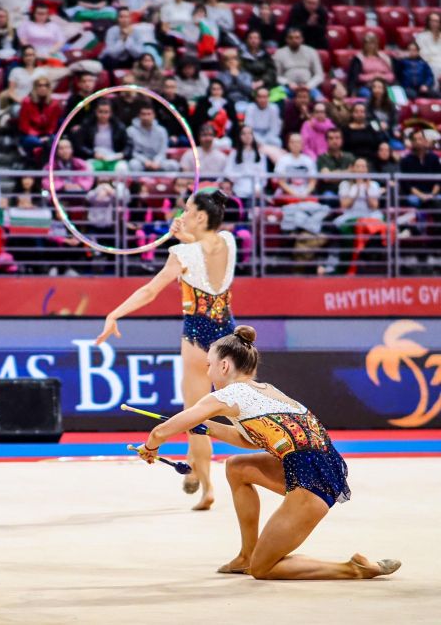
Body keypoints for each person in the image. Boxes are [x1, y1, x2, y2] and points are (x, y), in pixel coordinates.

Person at [132, 325, 401, 580]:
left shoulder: (227, 395)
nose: (208, 373)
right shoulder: (265, 391)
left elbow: (163, 430)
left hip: (311, 478)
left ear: (224, 365)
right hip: (319, 465)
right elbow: (251, 440)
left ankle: (353, 569)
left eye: (209, 366)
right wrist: (209, 428)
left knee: (263, 569)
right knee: (237, 467)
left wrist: (151, 446)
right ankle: (245, 555)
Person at [96, 189, 237, 510]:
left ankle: (208, 489)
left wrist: (114, 313)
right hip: (228, 336)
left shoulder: (181, 255)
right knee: (237, 410)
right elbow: (205, 251)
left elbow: (149, 291)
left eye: (187, 209)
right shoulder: (229, 241)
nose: (182, 213)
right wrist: (186, 236)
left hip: (197, 341)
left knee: (196, 420)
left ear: (201, 216)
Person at [72, 99, 127, 168]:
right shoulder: (87, 125)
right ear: (95, 112)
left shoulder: (119, 126)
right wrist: (92, 154)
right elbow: (80, 145)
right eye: (100, 112)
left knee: (122, 167)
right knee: (88, 167)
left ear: (111, 113)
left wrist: (123, 154)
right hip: (94, 158)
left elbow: (128, 145)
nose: (103, 115)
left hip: (113, 157)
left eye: (106, 112)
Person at [17, 77, 62, 156]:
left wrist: (47, 136)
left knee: (55, 140)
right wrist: (39, 138)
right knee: (34, 142)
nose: (43, 88)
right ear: (35, 88)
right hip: (30, 134)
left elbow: (53, 125)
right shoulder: (26, 102)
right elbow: (24, 126)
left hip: (47, 135)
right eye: (40, 86)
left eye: (45, 86)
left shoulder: (55, 104)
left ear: (49, 88)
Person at [126, 104, 179, 173]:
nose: (146, 117)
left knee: (174, 165)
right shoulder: (130, 131)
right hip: (140, 161)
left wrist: (156, 162)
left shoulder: (162, 131)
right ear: (139, 115)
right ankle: (138, 184)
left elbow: (162, 151)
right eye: (143, 114)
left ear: (154, 115)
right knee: (133, 164)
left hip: (159, 161)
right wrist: (145, 161)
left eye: (149, 114)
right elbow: (133, 152)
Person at [274, 28, 323, 99]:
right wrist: (288, 83)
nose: (294, 40)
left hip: (308, 87)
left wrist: (309, 85)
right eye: (291, 38)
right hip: (288, 88)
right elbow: (276, 76)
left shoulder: (311, 51)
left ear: (302, 39)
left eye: (297, 38)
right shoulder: (279, 53)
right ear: (286, 40)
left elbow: (319, 75)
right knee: (276, 98)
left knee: (321, 102)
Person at [223, 126, 267, 207]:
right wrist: (239, 177)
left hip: (255, 191)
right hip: (238, 191)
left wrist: (258, 188)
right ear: (239, 136)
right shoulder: (233, 154)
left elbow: (263, 177)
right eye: (244, 134)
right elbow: (227, 172)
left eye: (250, 133)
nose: (247, 136)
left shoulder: (261, 155)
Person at [399, 130, 441, 207]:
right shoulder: (406, 160)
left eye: (421, 139)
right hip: (415, 195)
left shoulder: (434, 158)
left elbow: (438, 181)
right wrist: (421, 195)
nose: (419, 142)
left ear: (425, 140)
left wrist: (432, 194)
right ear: (412, 142)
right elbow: (407, 185)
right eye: (416, 139)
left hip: (432, 193)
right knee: (413, 201)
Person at [347, 33, 394, 97]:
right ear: (364, 45)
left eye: (373, 43)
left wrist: (382, 77)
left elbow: (391, 75)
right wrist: (373, 76)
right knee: (371, 95)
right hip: (366, 86)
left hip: (385, 85)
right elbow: (356, 77)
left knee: (397, 93)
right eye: (368, 43)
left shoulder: (384, 57)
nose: (370, 45)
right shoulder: (358, 59)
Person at [154, 77, 190, 147]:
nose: (170, 90)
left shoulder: (182, 101)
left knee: (185, 141)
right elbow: (158, 122)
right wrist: (169, 135)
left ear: (176, 88)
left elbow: (185, 121)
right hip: (163, 134)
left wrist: (175, 135)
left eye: (172, 87)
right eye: (167, 87)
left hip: (179, 133)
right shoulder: (157, 101)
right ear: (163, 88)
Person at [415, 12, 441, 84]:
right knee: (435, 67)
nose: (434, 23)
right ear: (428, 22)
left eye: (436, 21)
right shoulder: (421, 36)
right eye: (432, 21)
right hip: (429, 62)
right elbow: (422, 53)